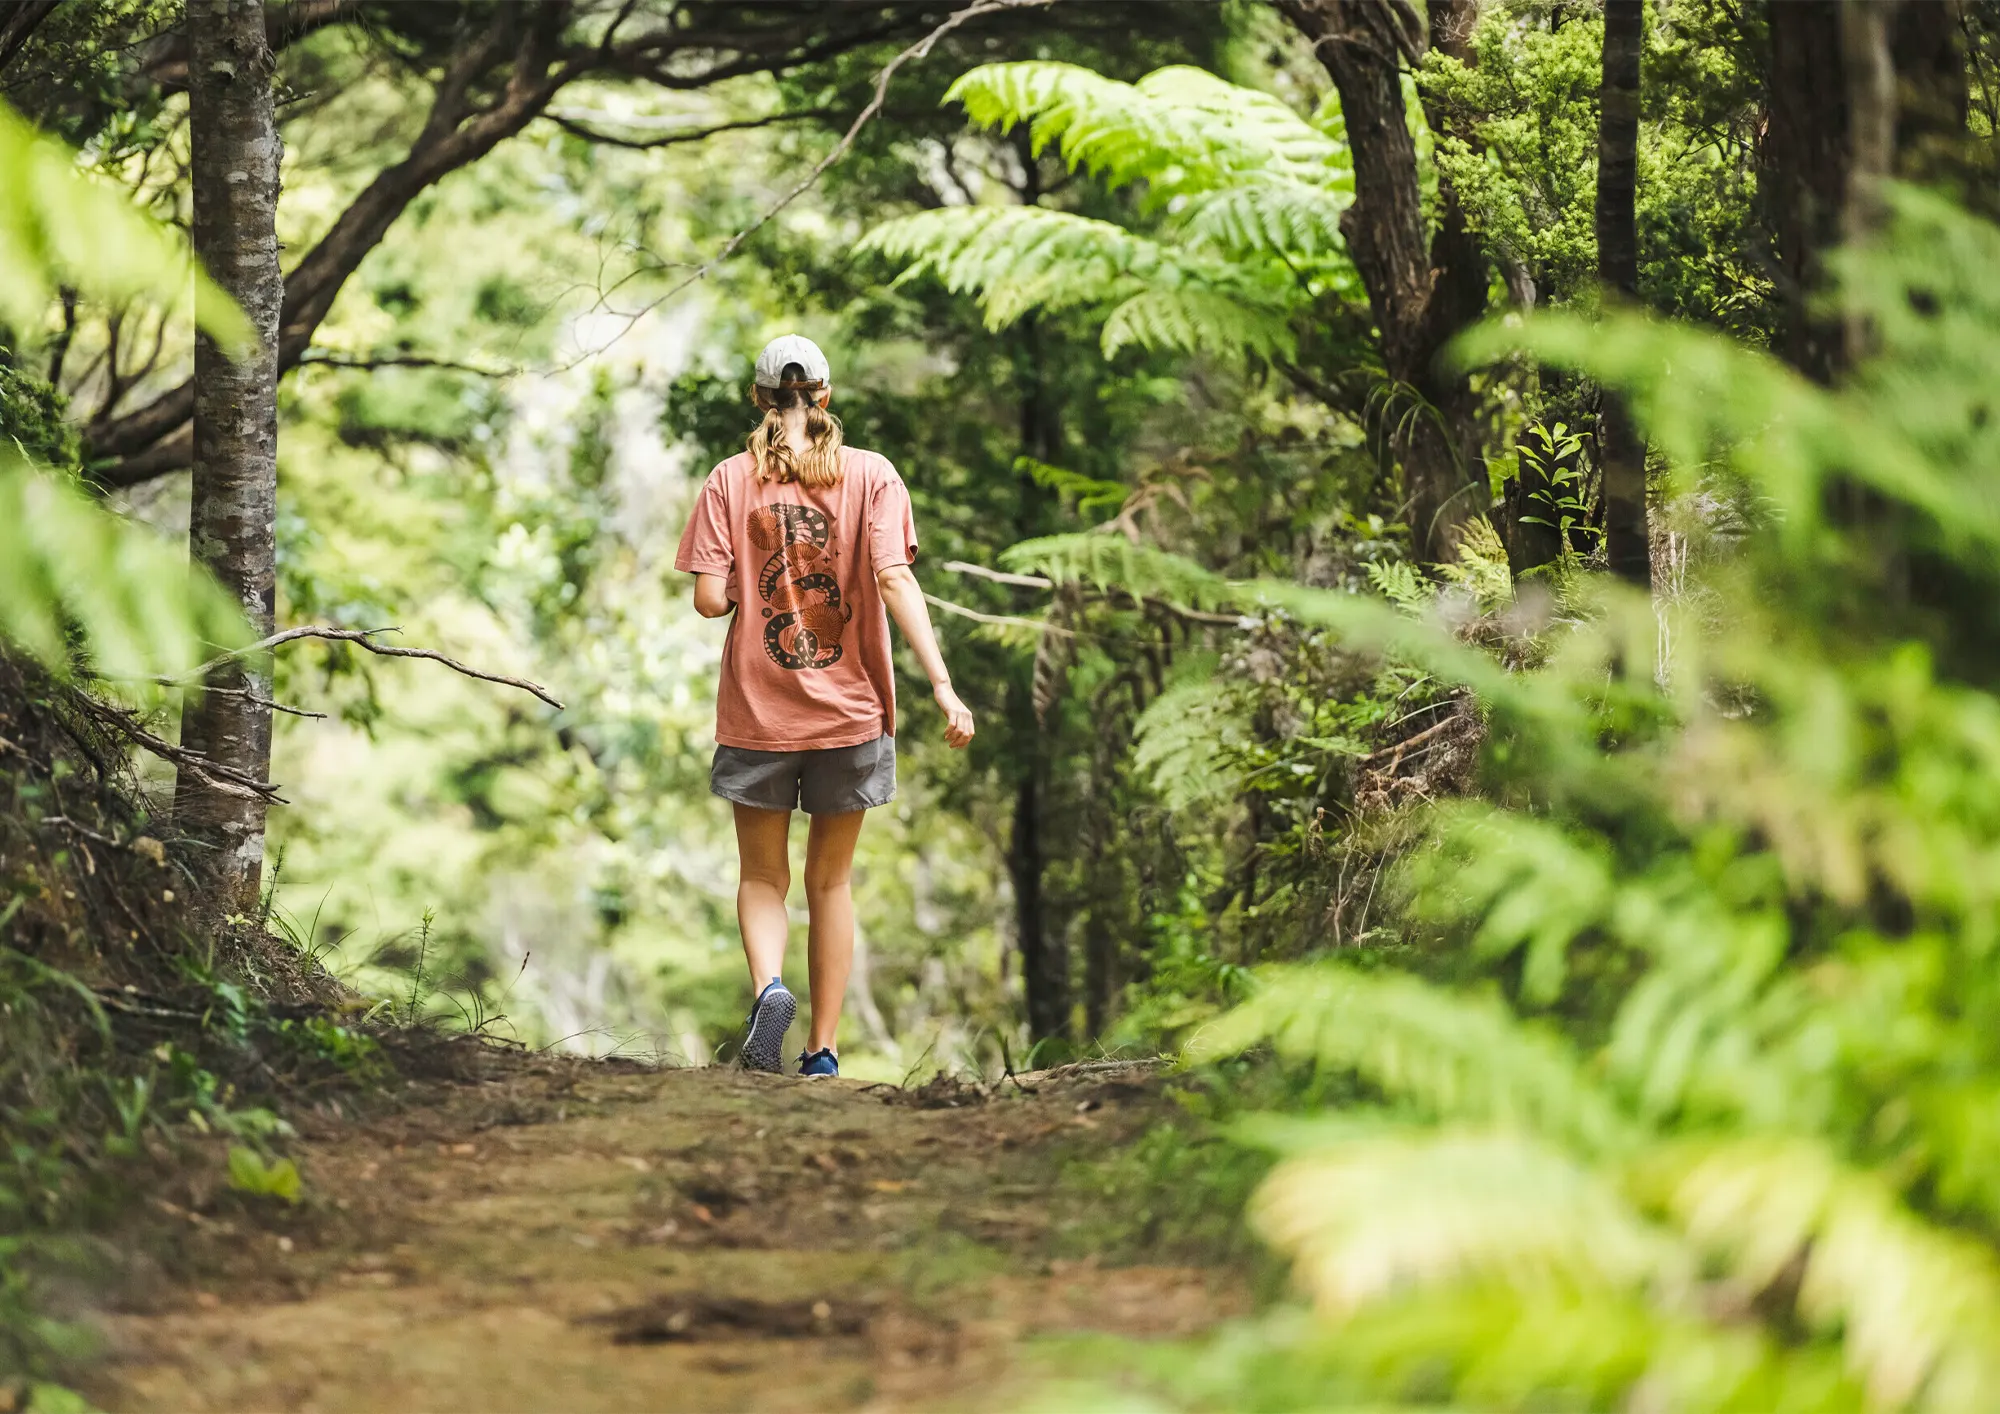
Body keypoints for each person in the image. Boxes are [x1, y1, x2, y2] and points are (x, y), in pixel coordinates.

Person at [674, 334, 974, 1079]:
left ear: (759, 399)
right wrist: (941, 682)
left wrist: (758, 582)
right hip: (851, 713)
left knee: (762, 876)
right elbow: (896, 578)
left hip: (758, 713)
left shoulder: (728, 479)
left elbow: (710, 599)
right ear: (827, 398)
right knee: (831, 882)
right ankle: (823, 1053)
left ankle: (770, 986)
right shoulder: (872, 475)